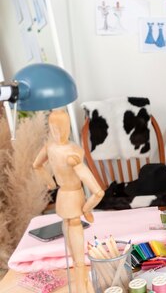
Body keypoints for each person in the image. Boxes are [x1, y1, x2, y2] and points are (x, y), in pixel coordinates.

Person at [33, 109, 104, 293]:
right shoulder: (73, 153)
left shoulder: (50, 147)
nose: (57, 132)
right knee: (78, 259)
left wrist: (50, 182)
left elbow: (37, 165)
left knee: (72, 248)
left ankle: (80, 284)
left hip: (63, 196)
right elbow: (98, 192)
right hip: (73, 197)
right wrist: (87, 209)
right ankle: (81, 286)